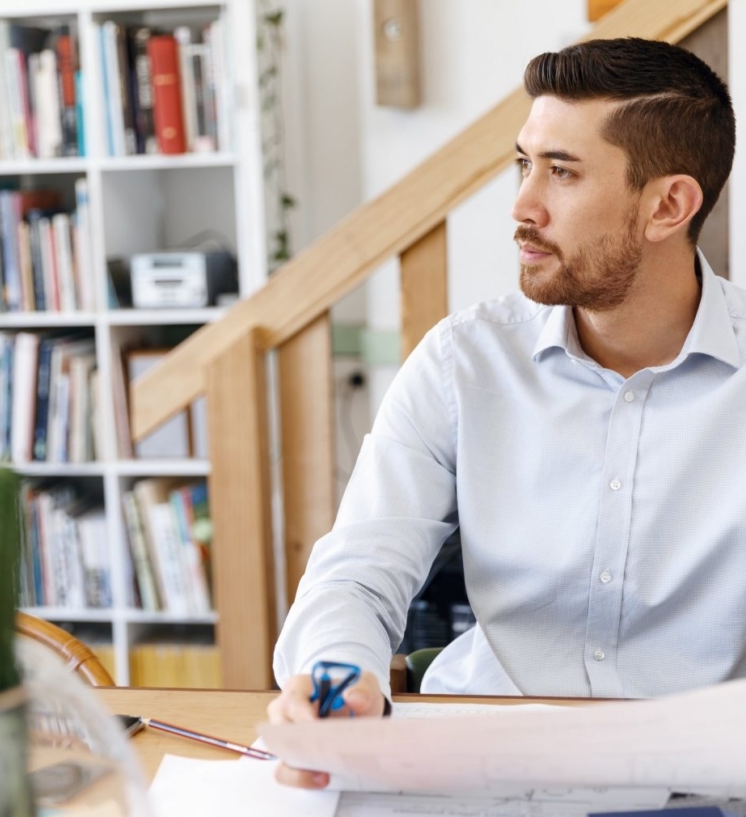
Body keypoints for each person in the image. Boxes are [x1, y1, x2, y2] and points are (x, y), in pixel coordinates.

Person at [269, 36, 744, 788]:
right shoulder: (463, 361)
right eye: (525, 164)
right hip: (477, 769)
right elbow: (356, 576)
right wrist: (337, 681)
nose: (522, 205)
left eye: (562, 172)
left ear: (669, 206)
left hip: (693, 783)